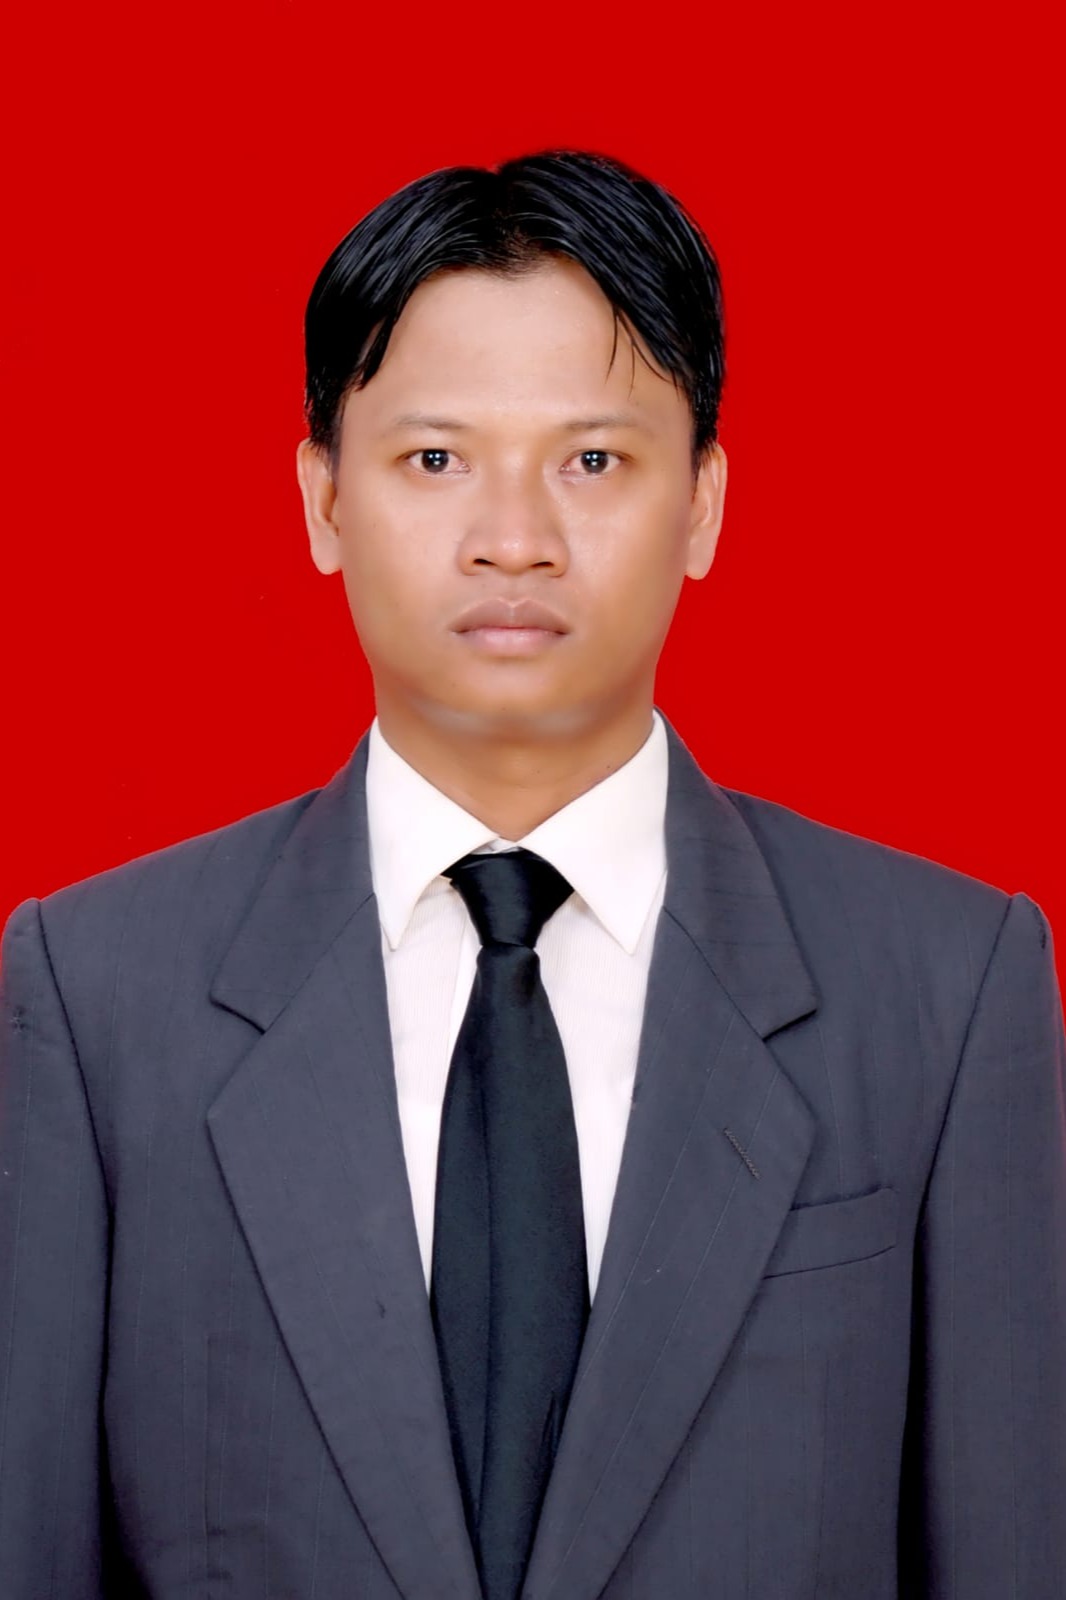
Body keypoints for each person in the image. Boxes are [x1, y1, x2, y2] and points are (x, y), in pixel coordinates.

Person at [0, 149, 1063, 1600]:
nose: (514, 541)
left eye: (593, 461)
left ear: (704, 503)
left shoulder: (943, 989)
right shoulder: (96, 997)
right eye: (435, 461)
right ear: (322, 500)